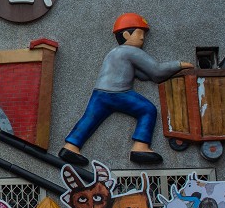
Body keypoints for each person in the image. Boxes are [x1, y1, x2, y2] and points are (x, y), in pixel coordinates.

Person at [60, 13, 193, 166]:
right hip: (119, 93)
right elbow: (156, 72)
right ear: (125, 34)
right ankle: (140, 147)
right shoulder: (132, 51)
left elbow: (140, 74)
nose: (143, 37)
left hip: (100, 93)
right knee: (147, 109)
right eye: (139, 33)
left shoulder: (114, 53)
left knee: (90, 118)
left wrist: (153, 74)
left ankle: (70, 147)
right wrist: (179, 65)